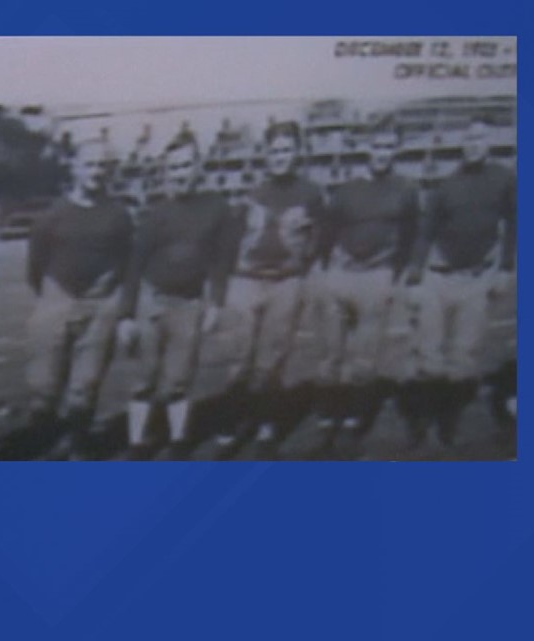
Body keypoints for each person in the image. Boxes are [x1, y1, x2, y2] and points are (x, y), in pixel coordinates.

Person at [117, 130, 234, 460]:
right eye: (174, 168)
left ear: (198, 167)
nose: (180, 174)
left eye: (186, 166)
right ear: (166, 172)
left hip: (190, 304)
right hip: (153, 302)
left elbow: (221, 260)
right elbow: (134, 265)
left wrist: (217, 303)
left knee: (179, 378)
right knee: (144, 378)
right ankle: (138, 445)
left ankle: (179, 442)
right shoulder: (156, 213)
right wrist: (126, 315)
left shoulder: (217, 208)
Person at [405, 118, 517, 454]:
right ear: (460, 142)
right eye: (468, 138)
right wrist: (414, 276)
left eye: (480, 137)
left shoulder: (505, 178)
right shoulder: (447, 184)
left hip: (477, 277)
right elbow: (425, 231)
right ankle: (422, 425)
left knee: (463, 358)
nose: (473, 143)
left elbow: (515, 223)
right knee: (429, 356)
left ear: (490, 140)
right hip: (438, 276)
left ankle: (449, 425)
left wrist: (505, 269)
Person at [217, 120, 325, 457]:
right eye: (275, 150)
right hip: (247, 280)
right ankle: (235, 423)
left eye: (287, 150)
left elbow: (319, 235)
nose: (280, 157)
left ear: (297, 153)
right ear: (266, 153)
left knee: (273, 359)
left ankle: (266, 425)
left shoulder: (311, 193)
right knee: (239, 359)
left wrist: (303, 271)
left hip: (286, 282)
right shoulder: (253, 192)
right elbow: (230, 240)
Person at [24, 137, 135, 460]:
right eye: (89, 164)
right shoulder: (52, 215)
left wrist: (121, 312)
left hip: (100, 305)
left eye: (102, 165)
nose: (96, 172)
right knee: (43, 387)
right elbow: (35, 266)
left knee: (84, 387)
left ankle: (77, 447)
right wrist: (52, 299)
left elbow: (127, 265)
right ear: (74, 167)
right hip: (56, 301)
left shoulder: (119, 215)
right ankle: (41, 447)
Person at [313, 126, 419, 455]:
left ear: (396, 150)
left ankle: (350, 422)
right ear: (367, 148)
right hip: (341, 275)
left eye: (389, 146)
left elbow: (412, 234)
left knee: (363, 357)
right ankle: (328, 416)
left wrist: (396, 275)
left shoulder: (406, 189)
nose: (382, 152)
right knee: (331, 353)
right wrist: (324, 269)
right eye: (377, 145)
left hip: (377, 276)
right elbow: (328, 231)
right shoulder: (347, 189)